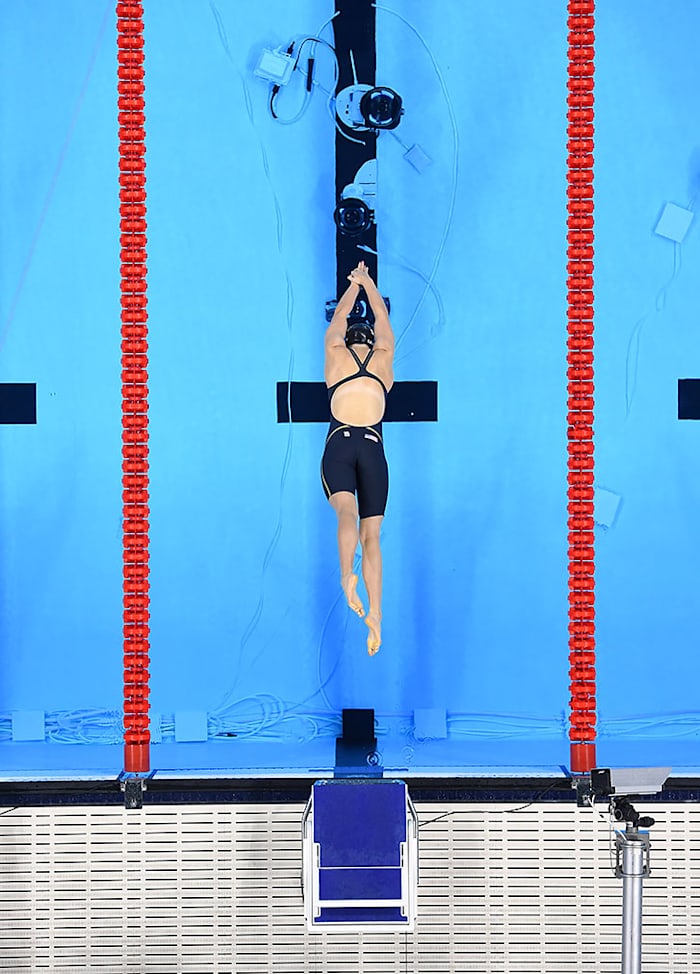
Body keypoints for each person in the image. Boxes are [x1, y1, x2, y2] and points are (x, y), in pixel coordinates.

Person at [321, 261, 395, 655]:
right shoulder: (383, 360)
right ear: (370, 341)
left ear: (349, 339)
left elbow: (341, 315)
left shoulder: (336, 353)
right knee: (373, 537)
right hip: (372, 450)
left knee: (345, 515)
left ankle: (347, 574)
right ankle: (377, 615)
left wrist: (354, 285)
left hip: (340, 444)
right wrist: (369, 283)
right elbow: (381, 317)